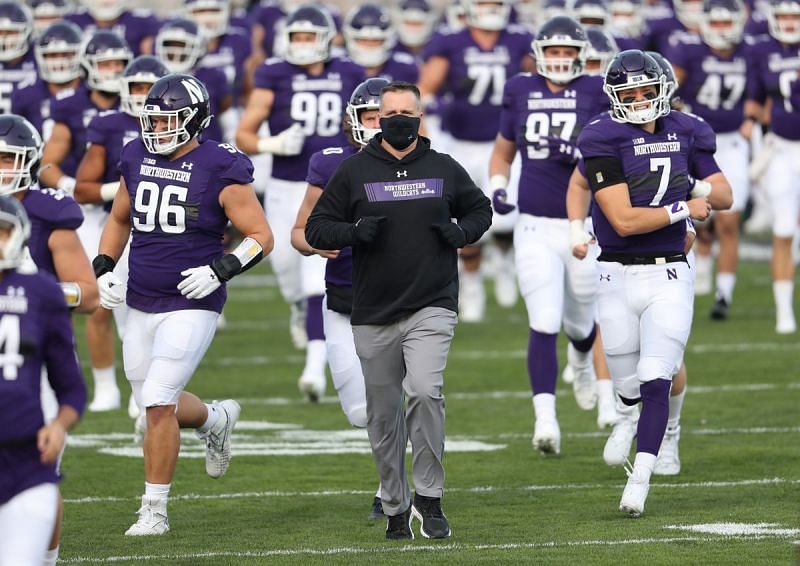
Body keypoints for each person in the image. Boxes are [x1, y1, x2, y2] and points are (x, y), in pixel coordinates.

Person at [305, 81, 492, 540]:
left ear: (420, 117)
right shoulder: (352, 171)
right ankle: (394, 503)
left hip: (432, 302)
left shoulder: (445, 167)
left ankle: (429, 497)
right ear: (378, 119)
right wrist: (352, 232)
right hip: (372, 309)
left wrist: (462, 233)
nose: (399, 120)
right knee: (383, 413)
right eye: (391, 113)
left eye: (408, 112)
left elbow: (481, 210)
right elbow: (315, 229)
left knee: (426, 391)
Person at [94, 73, 273, 535]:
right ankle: (216, 419)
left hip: (194, 298)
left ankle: (154, 509)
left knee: (155, 403)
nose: (156, 130)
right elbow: (119, 218)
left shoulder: (220, 164)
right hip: (140, 297)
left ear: (193, 120)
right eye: (151, 121)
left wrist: (220, 270)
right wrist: (104, 266)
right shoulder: (135, 154)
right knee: (155, 401)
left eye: (167, 120)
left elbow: (261, 237)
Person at [577, 49, 731, 516]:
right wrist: (685, 207)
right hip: (615, 272)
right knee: (627, 384)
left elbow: (724, 193)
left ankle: (640, 478)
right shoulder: (602, 135)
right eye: (630, 93)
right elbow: (623, 221)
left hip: (669, 271)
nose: (640, 100)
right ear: (614, 97)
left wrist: (696, 187)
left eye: (647, 91)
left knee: (655, 376)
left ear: (665, 89)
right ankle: (625, 416)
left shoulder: (688, 129)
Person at [488, 16, 610, 454]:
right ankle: (545, 420)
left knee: (582, 321)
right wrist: (498, 186)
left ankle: (580, 359)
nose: (560, 60)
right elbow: (503, 150)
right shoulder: (519, 88)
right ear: (540, 54)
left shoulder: (596, 91)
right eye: (553, 51)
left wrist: (582, 152)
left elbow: (612, 148)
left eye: (567, 52)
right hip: (535, 224)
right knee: (543, 319)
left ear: (581, 54)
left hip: (584, 223)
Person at [236, 5, 364, 400]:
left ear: (326, 38)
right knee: (287, 268)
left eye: (310, 37)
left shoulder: (349, 72)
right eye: (297, 37)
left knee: (317, 276)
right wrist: (271, 144)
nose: (303, 45)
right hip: (287, 182)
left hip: (334, 183)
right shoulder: (274, 72)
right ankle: (297, 310)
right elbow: (244, 134)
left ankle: (314, 368)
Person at [291, 76, 390, 521]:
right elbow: (299, 231)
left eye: (386, 117)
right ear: (354, 120)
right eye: (371, 117)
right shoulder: (331, 164)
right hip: (345, 296)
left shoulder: (430, 164)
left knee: (399, 394)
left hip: (402, 298)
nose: (378, 124)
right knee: (358, 410)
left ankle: (393, 488)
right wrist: (316, 241)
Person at [419, 0, 533, 322]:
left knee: (506, 216)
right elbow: (424, 89)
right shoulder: (451, 41)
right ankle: (470, 282)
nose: (489, 8)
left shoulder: (518, 38)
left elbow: (536, 81)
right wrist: (429, 125)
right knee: (464, 219)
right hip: (459, 141)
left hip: (503, 142)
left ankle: (506, 261)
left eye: (494, 2)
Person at [40, 29, 131, 412]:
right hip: (92, 210)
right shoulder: (70, 106)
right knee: (100, 298)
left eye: (119, 64)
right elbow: (46, 163)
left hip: (139, 211)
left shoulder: (143, 107)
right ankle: (106, 383)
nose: (113, 71)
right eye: (106, 63)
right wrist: (76, 187)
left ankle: (139, 385)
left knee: (133, 301)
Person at [0, 195, 87, 566]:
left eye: (2, 233)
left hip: (27, 463)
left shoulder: (42, 293)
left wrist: (60, 424)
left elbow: (71, 386)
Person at [668, 0, 749, 318]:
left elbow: (759, 94)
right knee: (696, 214)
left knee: (729, 219)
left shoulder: (749, 51)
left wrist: (754, 118)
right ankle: (699, 261)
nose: (720, 30)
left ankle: (724, 296)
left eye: (725, 23)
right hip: (694, 141)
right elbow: (669, 90)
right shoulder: (689, 49)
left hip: (732, 142)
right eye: (714, 23)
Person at [745, 0, 800, 334]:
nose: (789, 22)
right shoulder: (763, 50)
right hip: (780, 148)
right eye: (783, 16)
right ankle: (784, 310)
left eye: (794, 16)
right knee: (783, 228)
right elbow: (754, 99)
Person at [12, 20, 84, 136]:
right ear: (41, 56)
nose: (60, 61)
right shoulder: (25, 95)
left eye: (66, 54)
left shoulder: (90, 94)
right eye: (53, 55)